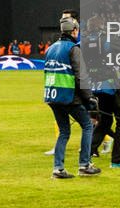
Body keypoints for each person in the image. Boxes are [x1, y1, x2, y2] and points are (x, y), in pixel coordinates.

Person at [41, 14, 98, 178]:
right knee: (87, 126)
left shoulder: (51, 48)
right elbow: (81, 76)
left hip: (52, 96)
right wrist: (89, 97)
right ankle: (84, 165)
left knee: (64, 131)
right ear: (74, 31)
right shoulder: (74, 49)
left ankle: (58, 168)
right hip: (69, 96)